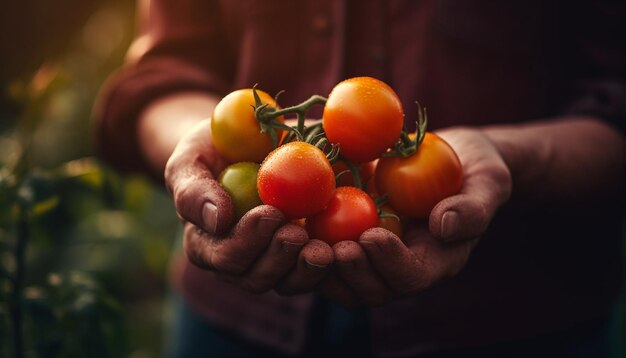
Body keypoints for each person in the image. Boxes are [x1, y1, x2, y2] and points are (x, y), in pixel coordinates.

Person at [93, 0, 626, 356]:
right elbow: (165, 69)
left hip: (514, 319)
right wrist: (195, 141)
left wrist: (512, 157)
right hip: (230, 325)